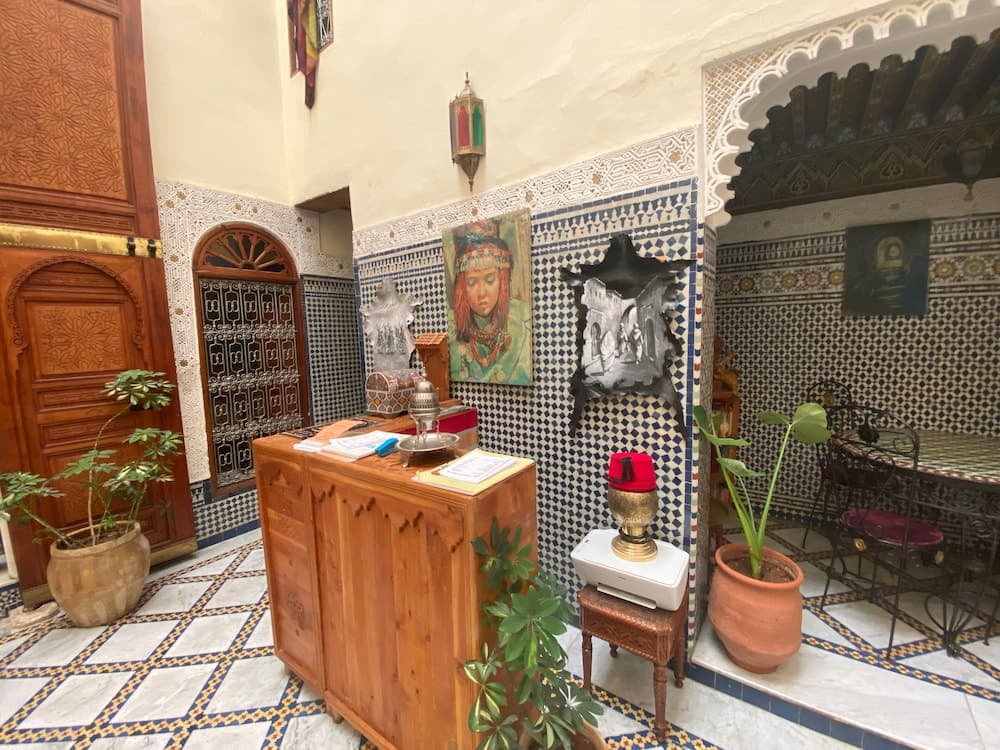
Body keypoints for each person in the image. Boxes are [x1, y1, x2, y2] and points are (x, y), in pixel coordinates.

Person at [448, 219, 531, 385]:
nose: (482, 293)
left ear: (502, 280)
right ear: (462, 288)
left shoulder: (523, 321)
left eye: (490, 280)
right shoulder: (451, 328)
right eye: (472, 282)